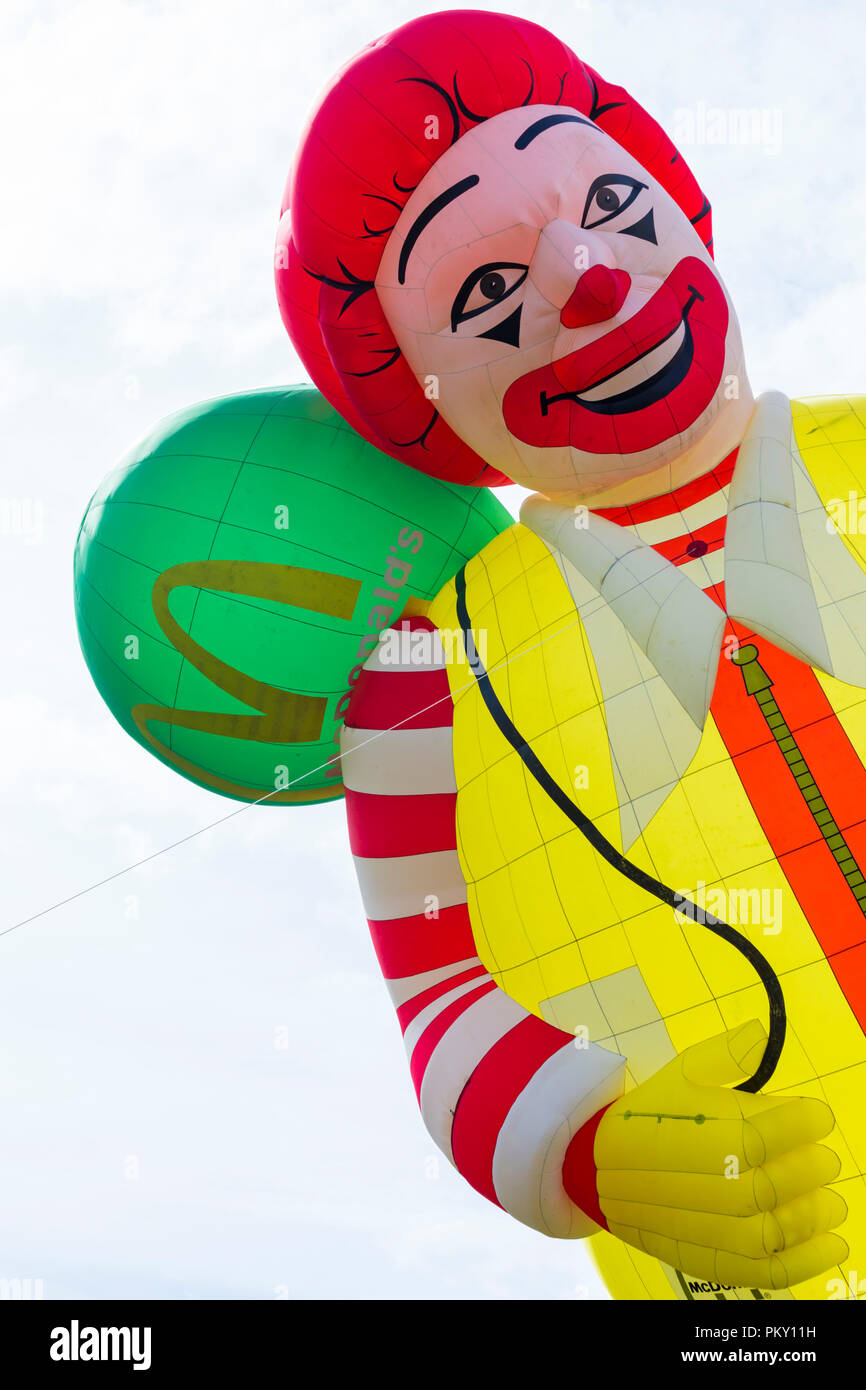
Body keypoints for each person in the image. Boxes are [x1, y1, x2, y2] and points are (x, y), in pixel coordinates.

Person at [276, 9, 865, 1301]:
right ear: (408, 387)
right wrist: (589, 1151)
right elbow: (439, 999)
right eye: (487, 291)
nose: (589, 276)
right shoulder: (426, 669)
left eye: (608, 199)